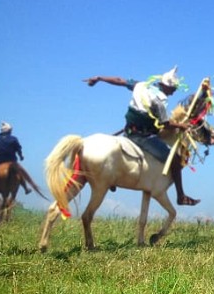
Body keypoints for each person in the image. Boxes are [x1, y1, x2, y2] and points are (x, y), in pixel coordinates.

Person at [84, 66, 200, 206]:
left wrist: (100, 78)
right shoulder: (160, 101)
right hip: (143, 137)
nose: (174, 91)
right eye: (173, 88)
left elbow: (119, 80)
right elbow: (165, 124)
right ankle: (181, 196)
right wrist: (181, 126)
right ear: (165, 86)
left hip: (129, 131)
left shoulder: (141, 86)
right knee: (175, 160)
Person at [0, 122, 31, 194]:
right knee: (20, 173)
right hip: (12, 161)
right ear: (9, 131)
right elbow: (18, 149)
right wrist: (21, 156)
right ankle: (26, 188)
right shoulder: (13, 139)